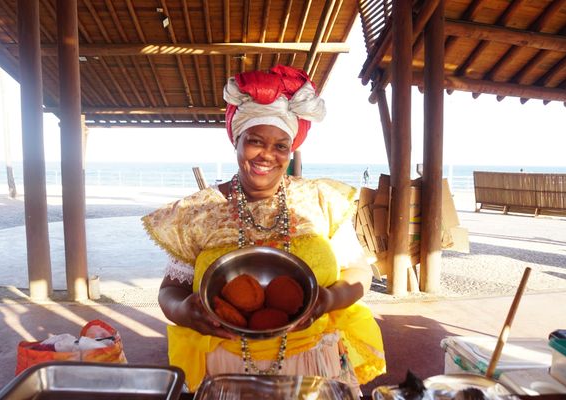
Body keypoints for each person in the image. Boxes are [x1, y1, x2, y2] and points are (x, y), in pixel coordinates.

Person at [143, 65, 386, 393]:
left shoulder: (320, 200)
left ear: (290, 150)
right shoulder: (197, 212)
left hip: (315, 364)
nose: (267, 155)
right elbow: (169, 291)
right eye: (255, 141)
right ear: (236, 141)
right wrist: (185, 311)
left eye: (280, 146)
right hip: (226, 368)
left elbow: (359, 271)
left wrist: (329, 299)